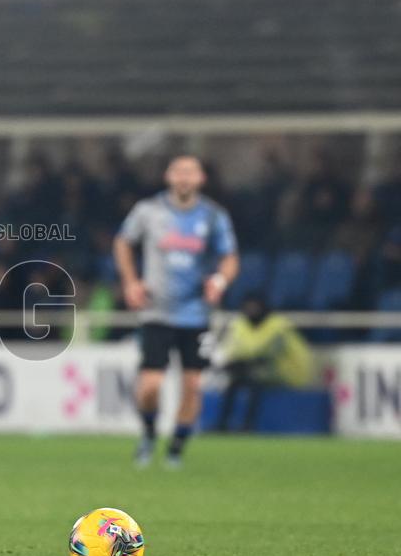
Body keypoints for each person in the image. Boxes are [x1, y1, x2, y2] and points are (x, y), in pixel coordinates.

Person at [113, 155, 239, 468]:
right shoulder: (149, 211)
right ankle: (149, 434)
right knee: (150, 386)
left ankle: (176, 449)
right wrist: (130, 282)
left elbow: (230, 257)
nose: (184, 178)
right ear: (168, 176)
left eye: (191, 172)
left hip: (196, 314)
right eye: (179, 172)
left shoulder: (212, 216)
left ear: (200, 179)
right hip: (157, 311)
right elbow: (123, 243)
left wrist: (220, 281)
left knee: (192, 385)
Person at [217, 293, 314, 432]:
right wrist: (233, 364)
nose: (251, 311)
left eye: (255, 307)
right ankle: (223, 425)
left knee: (253, 382)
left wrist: (243, 363)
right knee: (235, 381)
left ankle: (247, 425)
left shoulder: (278, 325)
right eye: (248, 307)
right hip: (260, 371)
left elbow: (272, 354)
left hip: (289, 372)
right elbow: (236, 350)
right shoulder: (240, 324)